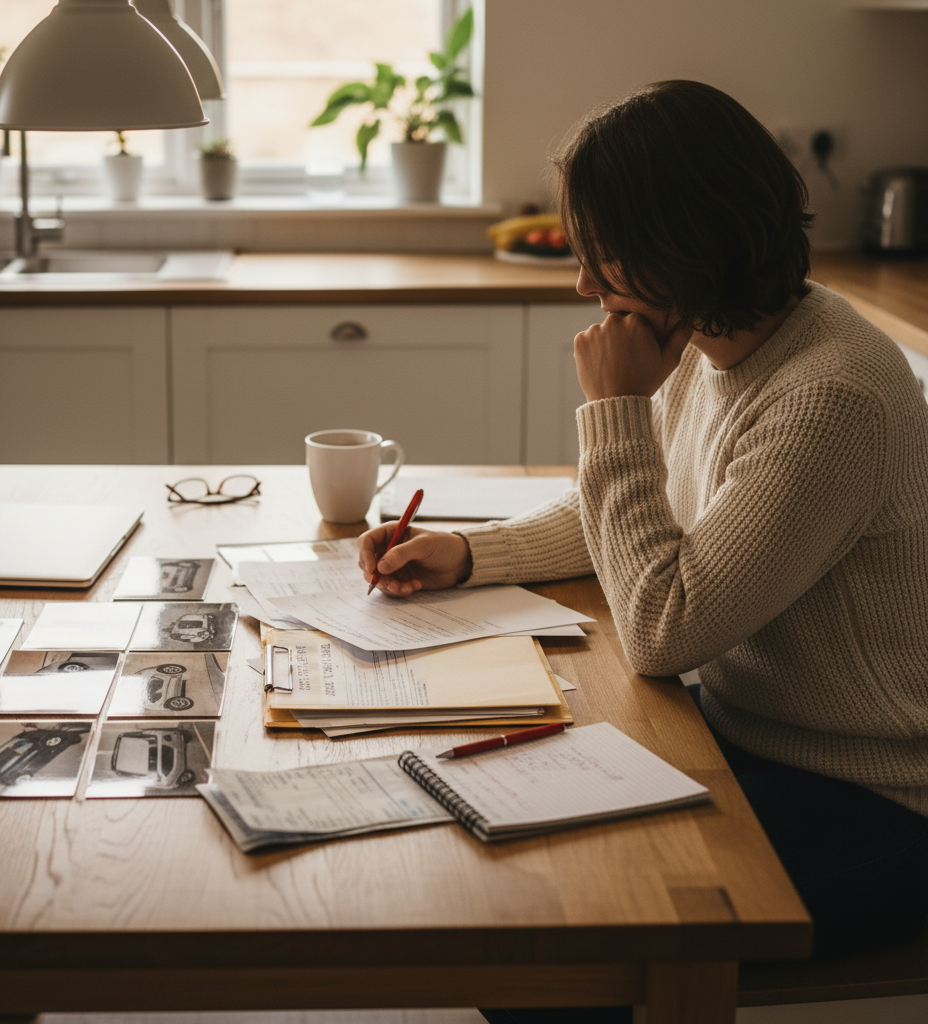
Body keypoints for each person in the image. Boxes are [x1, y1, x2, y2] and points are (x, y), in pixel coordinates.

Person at [358, 80, 928, 1021]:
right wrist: (467, 552)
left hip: (874, 799)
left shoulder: (831, 397)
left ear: (684, 242)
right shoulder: (713, 341)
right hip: (747, 736)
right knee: (492, 846)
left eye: (604, 256)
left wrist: (615, 410)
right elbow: (620, 516)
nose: (584, 285)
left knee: (551, 951)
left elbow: (664, 626)